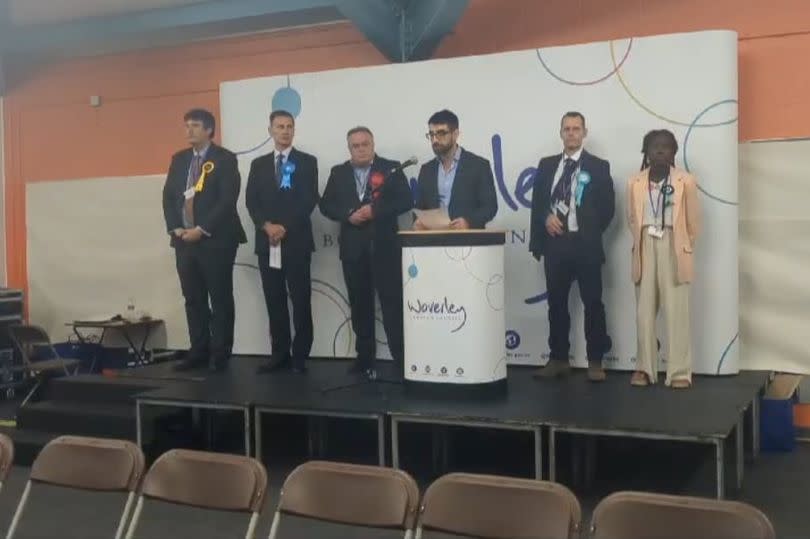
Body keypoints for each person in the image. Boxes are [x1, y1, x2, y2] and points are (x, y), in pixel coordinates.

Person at [319, 127, 413, 378]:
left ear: (373, 144)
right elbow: (326, 205)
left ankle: (402, 360)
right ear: (349, 148)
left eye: (365, 144)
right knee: (360, 306)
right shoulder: (338, 173)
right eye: (355, 145)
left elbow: (406, 201)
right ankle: (364, 358)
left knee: (393, 305)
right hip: (352, 250)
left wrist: (376, 211)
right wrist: (349, 214)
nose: (360, 149)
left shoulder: (391, 168)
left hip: (385, 249)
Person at [529, 111, 615, 381]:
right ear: (561, 133)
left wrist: (586, 230)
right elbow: (538, 203)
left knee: (593, 304)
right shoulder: (546, 165)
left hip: (585, 246)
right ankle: (558, 359)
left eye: (576, 129)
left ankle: (595, 362)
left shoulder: (599, 166)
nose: (571, 133)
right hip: (555, 246)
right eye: (566, 128)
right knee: (556, 305)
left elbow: (608, 209)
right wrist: (546, 218)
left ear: (584, 133)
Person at [162, 108, 246, 372]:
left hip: (216, 239)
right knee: (193, 298)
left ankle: (220, 352)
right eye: (186, 125)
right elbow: (168, 197)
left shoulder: (225, 159)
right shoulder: (179, 159)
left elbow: (226, 200)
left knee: (219, 297)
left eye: (195, 125)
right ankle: (198, 349)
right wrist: (175, 227)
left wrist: (203, 228)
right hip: (184, 241)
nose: (189, 130)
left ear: (209, 130)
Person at [246, 110, 319, 374]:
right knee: (274, 300)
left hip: (296, 242)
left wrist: (284, 227)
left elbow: (308, 200)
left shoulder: (308, 162)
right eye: (280, 126)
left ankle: (300, 355)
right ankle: (279, 353)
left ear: (294, 130)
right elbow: (251, 202)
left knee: (300, 300)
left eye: (290, 126)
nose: (285, 131)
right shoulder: (258, 165)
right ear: (270, 131)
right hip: (268, 244)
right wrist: (267, 226)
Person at [627, 129, 701, 389]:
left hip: (674, 244)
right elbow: (632, 219)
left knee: (676, 310)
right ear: (646, 151)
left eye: (666, 147)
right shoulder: (634, 182)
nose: (660, 151)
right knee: (644, 312)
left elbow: (694, 224)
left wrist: (681, 246)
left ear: (674, 152)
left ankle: (679, 371)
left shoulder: (686, 181)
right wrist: (644, 240)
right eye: (654, 146)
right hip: (646, 244)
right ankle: (644, 369)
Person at [414, 109, 497, 229]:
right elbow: (420, 208)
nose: (435, 140)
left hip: (468, 241)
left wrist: (469, 222)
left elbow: (490, 207)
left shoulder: (478, 166)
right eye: (431, 134)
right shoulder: (427, 170)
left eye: (441, 133)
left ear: (455, 134)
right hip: (433, 242)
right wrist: (418, 222)